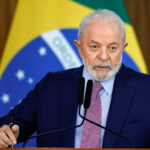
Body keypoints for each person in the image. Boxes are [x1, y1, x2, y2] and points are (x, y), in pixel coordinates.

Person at [0, 9, 150, 148]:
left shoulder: (146, 90)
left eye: (112, 48)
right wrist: (4, 133)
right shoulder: (51, 86)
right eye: (94, 47)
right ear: (79, 48)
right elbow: (11, 125)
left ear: (123, 48)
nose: (104, 57)